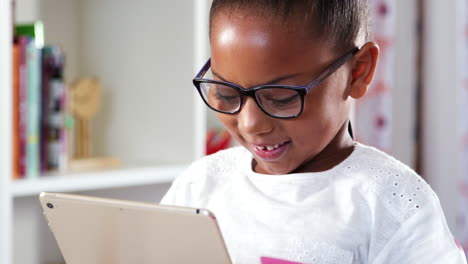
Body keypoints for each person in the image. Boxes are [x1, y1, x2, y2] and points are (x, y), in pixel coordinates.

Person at [161, 0, 467, 263]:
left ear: (358, 72)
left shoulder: (392, 202)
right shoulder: (200, 185)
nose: (250, 123)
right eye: (227, 93)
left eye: (281, 98)